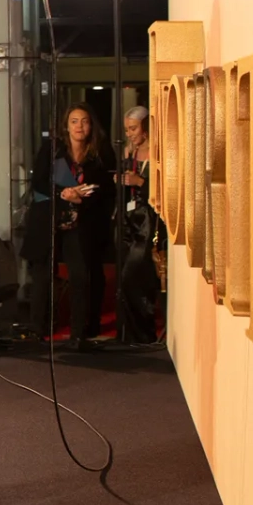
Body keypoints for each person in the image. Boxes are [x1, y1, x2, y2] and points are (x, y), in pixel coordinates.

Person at [28, 103, 116, 350]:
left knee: (80, 277)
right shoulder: (52, 149)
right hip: (49, 219)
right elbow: (39, 182)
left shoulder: (100, 152)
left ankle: (78, 334)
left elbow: (107, 190)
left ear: (91, 126)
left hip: (82, 223)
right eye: (75, 121)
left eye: (85, 121)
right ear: (66, 125)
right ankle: (38, 330)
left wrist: (82, 198)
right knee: (43, 276)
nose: (80, 126)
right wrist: (63, 193)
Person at [114, 105, 162, 346]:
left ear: (146, 127)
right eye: (127, 129)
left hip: (149, 223)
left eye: (133, 128)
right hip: (129, 222)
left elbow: (165, 189)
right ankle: (128, 335)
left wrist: (139, 181)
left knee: (136, 279)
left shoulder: (159, 153)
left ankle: (145, 334)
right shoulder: (128, 152)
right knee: (124, 280)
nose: (130, 133)